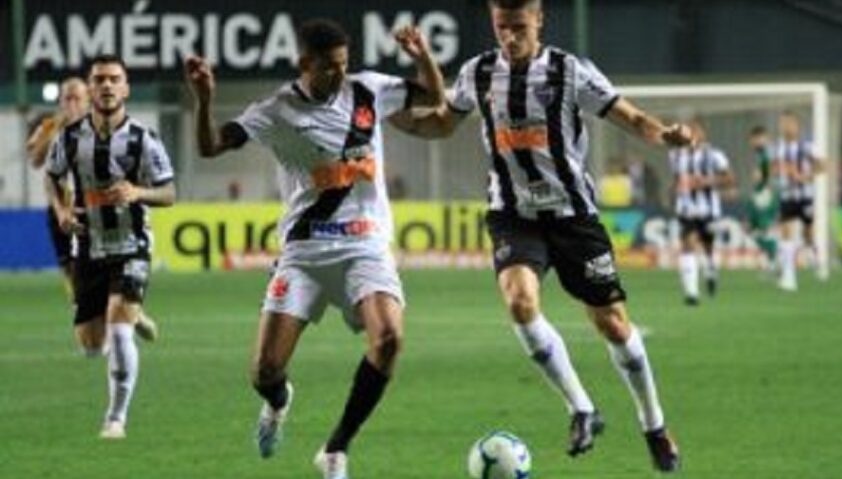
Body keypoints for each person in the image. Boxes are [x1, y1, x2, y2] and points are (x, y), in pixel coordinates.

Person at [389, 0, 688, 471]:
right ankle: (582, 408)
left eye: (519, 27)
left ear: (539, 20)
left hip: (573, 216)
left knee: (613, 324)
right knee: (520, 302)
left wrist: (664, 135)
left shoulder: (570, 71)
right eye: (502, 27)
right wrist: (390, 115)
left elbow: (629, 117)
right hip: (513, 214)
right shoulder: (477, 72)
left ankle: (654, 424)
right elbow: (444, 122)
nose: (510, 37)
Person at [184, 19, 444, 479]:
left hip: (365, 245)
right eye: (328, 67)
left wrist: (422, 55)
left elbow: (433, 95)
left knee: (389, 340)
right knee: (265, 371)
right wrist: (204, 99)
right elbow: (210, 147)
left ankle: (336, 448)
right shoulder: (276, 110)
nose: (339, 74)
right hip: (304, 253)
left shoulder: (368, 90)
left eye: (343, 64)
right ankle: (278, 402)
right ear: (304, 63)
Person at [45, 55, 176, 439]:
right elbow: (52, 176)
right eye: (99, 79)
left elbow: (169, 193)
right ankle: (135, 316)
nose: (106, 85)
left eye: (114, 79)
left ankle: (115, 418)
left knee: (119, 333)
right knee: (91, 346)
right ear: (90, 88)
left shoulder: (143, 139)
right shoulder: (70, 138)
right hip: (88, 247)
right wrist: (62, 210)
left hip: (131, 245)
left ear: (125, 88)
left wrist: (138, 192)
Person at [27, 78, 90, 297]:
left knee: (94, 265)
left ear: (88, 100)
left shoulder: (98, 124)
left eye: (77, 98)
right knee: (69, 267)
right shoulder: (48, 125)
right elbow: (35, 160)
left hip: (90, 205)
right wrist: (53, 132)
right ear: (60, 101)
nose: (72, 104)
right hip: (59, 208)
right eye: (67, 99)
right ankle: (80, 306)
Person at [669, 120, 735, 304]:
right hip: (686, 209)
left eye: (696, 131)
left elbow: (730, 179)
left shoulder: (714, 155)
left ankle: (711, 272)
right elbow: (676, 180)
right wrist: (674, 192)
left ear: (703, 134)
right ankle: (691, 293)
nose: (693, 135)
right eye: (689, 131)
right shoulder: (675, 156)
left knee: (708, 247)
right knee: (688, 244)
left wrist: (707, 181)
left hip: (708, 210)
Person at [774, 111, 823, 290]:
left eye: (789, 123)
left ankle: (815, 256)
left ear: (797, 126)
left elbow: (822, 166)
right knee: (786, 232)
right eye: (783, 123)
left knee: (807, 234)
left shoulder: (807, 146)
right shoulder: (777, 148)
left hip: (805, 196)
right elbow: (772, 168)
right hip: (787, 196)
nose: (786, 127)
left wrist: (805, 176)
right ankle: (789, 276)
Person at [746, 125, 779, 273]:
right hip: (759, 193)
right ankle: (773, 258)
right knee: (752, 230)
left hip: (766, 194)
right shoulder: (760, 154)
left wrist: (763, 176)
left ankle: (775, 258)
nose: (753, 142)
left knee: (761, 229)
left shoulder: (768, 153)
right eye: (752, 140)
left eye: (756, 139)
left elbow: (771, 171)